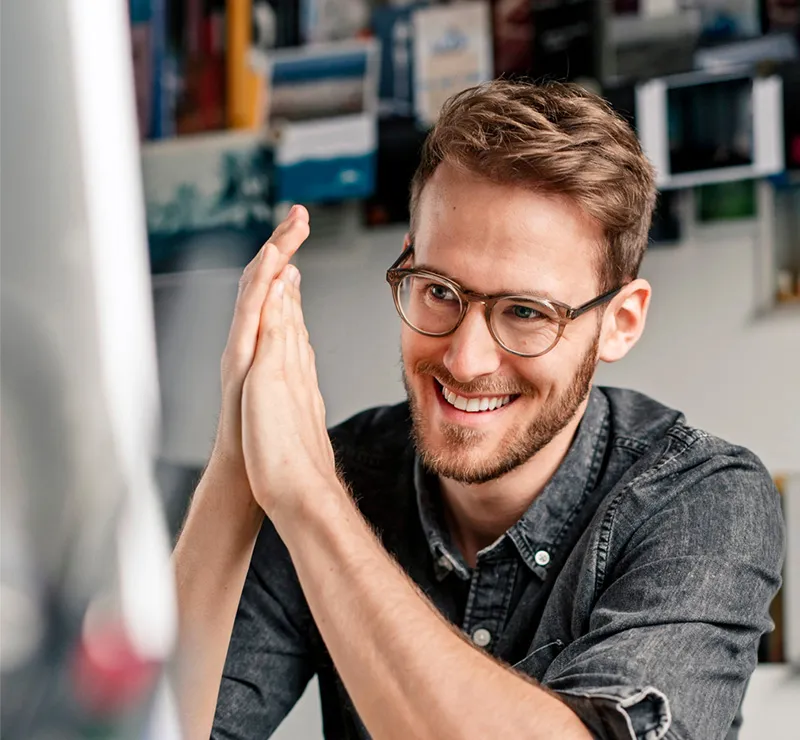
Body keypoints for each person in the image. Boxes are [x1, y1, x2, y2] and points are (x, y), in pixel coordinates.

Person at [173, 80, 784, 740]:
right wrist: (236, 463)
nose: (465, 361)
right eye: (439, 290)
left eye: (525, 313)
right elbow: (149, 727)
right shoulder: (335, 470)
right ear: (407, 260)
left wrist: (313, 504)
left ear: (621, 322)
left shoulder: (706, 502)